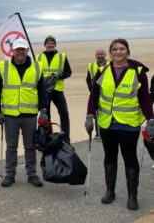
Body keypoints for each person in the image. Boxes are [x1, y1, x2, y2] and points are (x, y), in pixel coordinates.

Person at [86, 38, 154, 210]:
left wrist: (150, 119)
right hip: (107, 123)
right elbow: (94, 96)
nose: (118, 52)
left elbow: (145, 97)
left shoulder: (137, 72)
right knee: (110, 157)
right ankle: (110, 191)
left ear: (127, 51)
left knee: (130, 158)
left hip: (129, 124)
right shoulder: (102, 71)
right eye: (115, 49)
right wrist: (89, 115)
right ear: (111, 53)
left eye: (122, 49)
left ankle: (132, 196)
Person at [0, 38, 48, 187]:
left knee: (30, 147)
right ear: (13, 51)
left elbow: (42, 91)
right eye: (18, 49)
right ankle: (10, 174)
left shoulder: (37, 67)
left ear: (27, 51)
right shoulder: (3, 66)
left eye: (23, 49)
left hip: (30, 115)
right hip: (10, 116)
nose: (20, 52)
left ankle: (32, 174)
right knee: (11, 147)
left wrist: (43, 110)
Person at [37, 36, 72, 144]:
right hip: (44, 91)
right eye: (48, 43)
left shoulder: (62, 56)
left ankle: (66, 139)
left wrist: (59, 76)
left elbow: (68, 72)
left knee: (64, 114)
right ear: (45, 45)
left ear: (55, 45)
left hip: (57, 90)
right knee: (45, 116)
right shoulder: (38, 57)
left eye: (52, 43)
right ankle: (47, 139)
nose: (50, 45)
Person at [86, 48, 109, 139]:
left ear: (105, 55)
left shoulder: (110, 64)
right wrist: (92, 91)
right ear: (95, 55)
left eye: (102, 54)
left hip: (107, 94)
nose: (100, 56)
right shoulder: (91, 66)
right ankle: (98, 134)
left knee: (106, 113)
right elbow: (88, 80)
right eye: (98, 54)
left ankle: (107, 132)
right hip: (95, 94)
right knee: (95, 115)